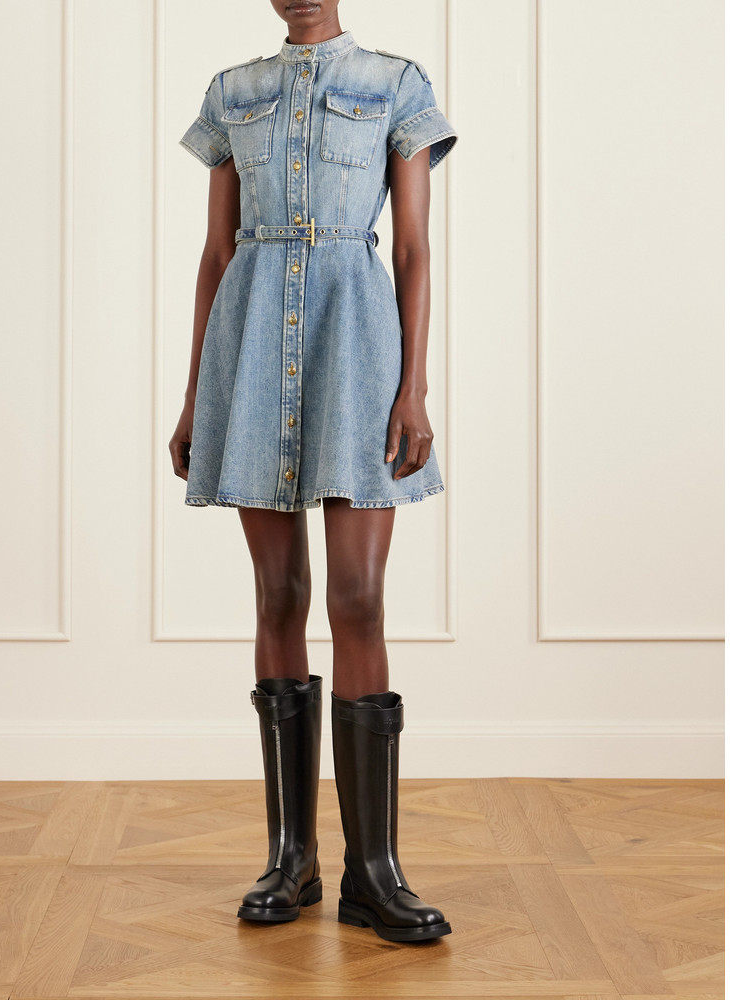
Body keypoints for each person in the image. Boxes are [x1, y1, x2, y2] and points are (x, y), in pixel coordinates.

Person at [171, 0, 457, 943]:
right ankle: (291, 860)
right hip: (250, 348)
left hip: (357, 347)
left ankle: (374, 873)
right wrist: (195, 397)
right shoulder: (233, 92)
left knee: (359, 597)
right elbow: (216, 253)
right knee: (279, 594)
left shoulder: (396, 85)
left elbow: (411, 247)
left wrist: (413, 386)